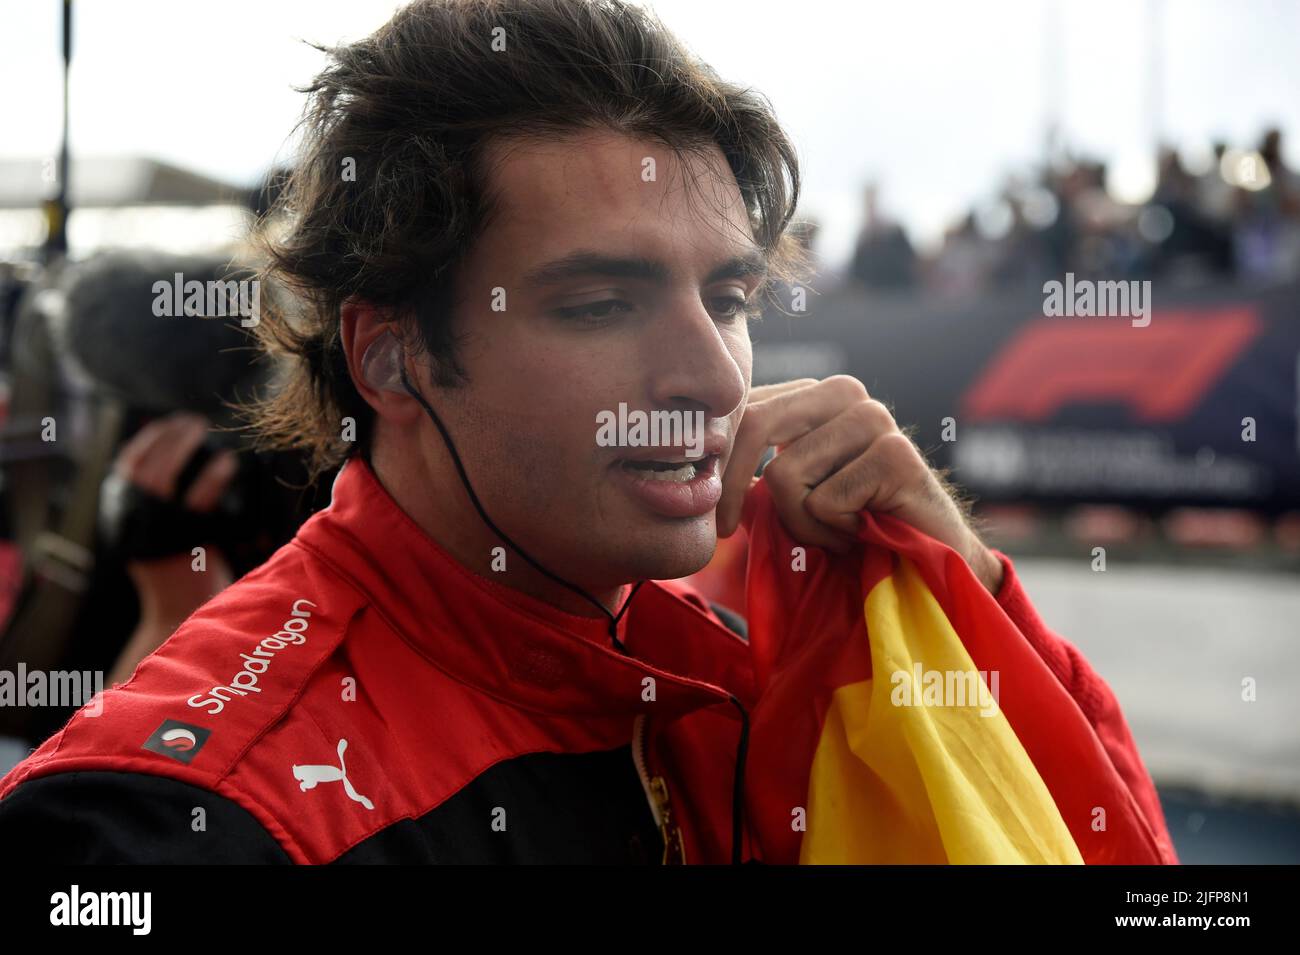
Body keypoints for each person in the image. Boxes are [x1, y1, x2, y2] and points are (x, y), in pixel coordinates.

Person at [0, 0, 1167, 863]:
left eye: (730, 301)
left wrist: (965, 585)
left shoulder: (736, 665)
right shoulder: (181, 826)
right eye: (600, 304)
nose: (712, 377)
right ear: (389, 355)